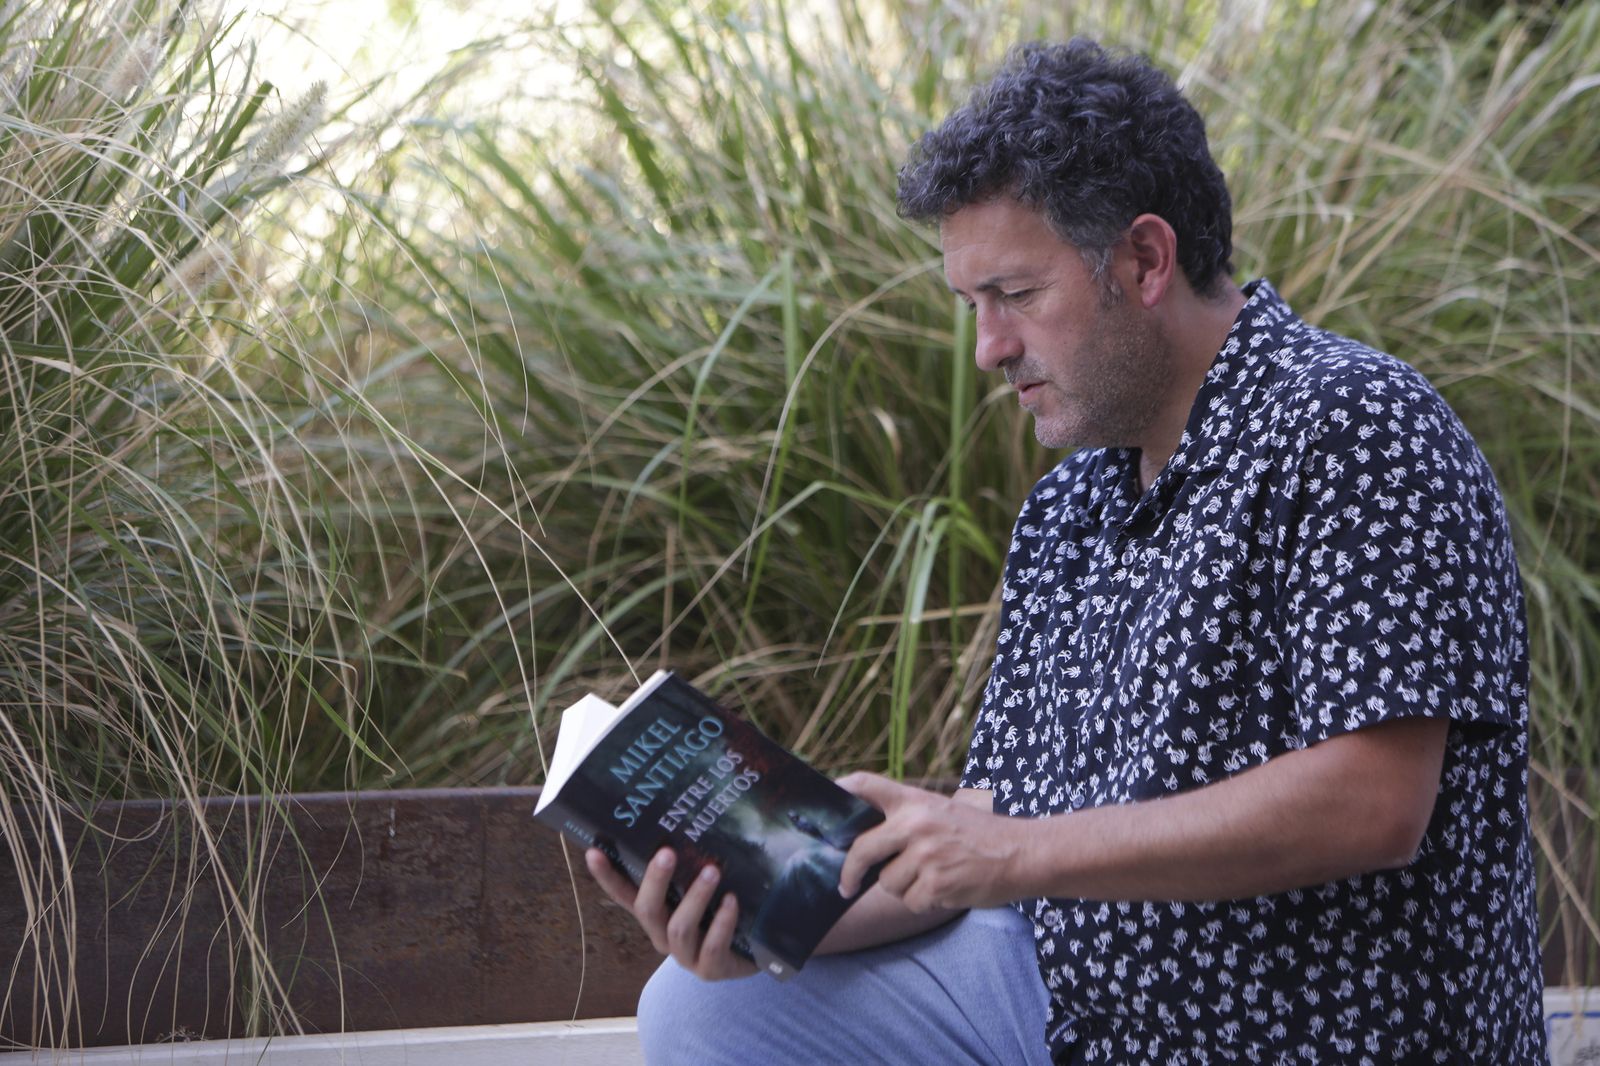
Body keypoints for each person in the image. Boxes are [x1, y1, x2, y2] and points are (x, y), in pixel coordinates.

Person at [585, 38, 1548, 1064]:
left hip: (1316, 1033)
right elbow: (1000, 826)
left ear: (1143, 259)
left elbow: (1371, 800)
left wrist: (1010, 851)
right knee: (704, 1010)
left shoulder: (1354, 424)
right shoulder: (1071, 507)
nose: (988, 348)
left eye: (1015, 295)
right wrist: (774, 923)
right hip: (1067, 1006)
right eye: (972, 306)